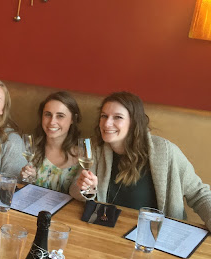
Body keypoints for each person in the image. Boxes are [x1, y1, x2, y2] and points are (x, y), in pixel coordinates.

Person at [70, 92, 211, 228]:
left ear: (133, 122)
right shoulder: (95, 149)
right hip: (108, 230)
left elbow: (199, 193)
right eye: (104, 116)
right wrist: (87, 190)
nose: (107, 123)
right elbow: (75, 191)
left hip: (153, 233)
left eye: (118, 117)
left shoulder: (165, 151)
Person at [20, 91, 81, 193]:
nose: (52, 122)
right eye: (48, 115)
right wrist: (27, 180)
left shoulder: (83, 156)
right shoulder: (30, 150)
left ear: (73, 119)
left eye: (60, 116)